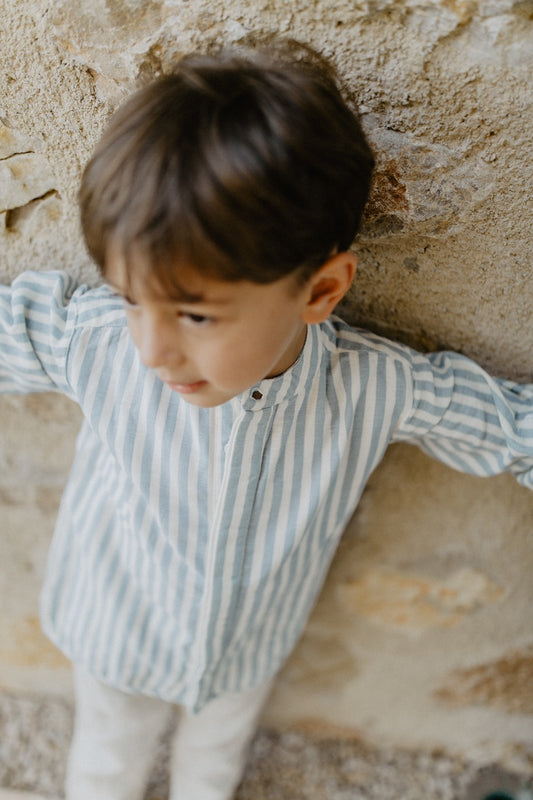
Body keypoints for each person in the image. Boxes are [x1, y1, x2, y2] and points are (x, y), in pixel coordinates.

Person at [0, 47, 532, 800]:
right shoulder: (95, 344)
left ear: (318, 290)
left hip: (248, 648)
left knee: (215, 762)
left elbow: (510, 425)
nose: (152, 348)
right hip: (115, 632)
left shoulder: (372, 385)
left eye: (193, 313)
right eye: (129, 298)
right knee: (106, 765)